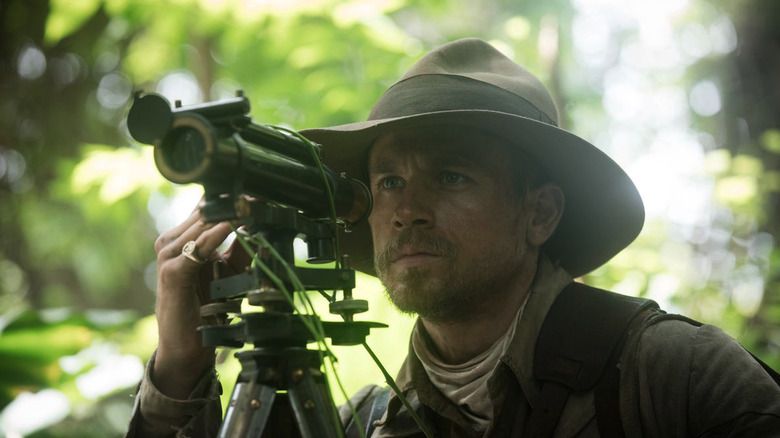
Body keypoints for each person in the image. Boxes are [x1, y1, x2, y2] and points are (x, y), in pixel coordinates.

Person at [126, 38, 780, 437]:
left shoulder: (671, 376)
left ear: (540, 213)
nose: (407, 210)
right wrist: (179, 368)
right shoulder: (365, 422)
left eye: (451, 176)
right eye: (386, 183)